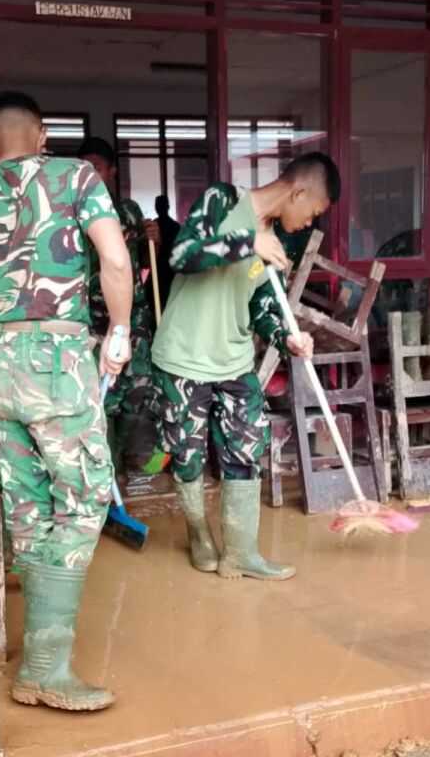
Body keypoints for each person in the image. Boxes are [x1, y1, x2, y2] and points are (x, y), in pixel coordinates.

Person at [0, 92, 133, 711]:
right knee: (87, 493)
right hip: (58, 364)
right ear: (42, 134)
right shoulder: (75, 175)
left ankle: (40, 665)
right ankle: (47, 664)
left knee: (27, 498)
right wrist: (117, 333)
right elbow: (115, 260)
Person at [150, 153, 330, 580]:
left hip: (234, 361)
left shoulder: (280, 245)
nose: (309, 222)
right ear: (298, 192)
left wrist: (284, 336)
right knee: (187, 455)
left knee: (246, 451)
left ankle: (241, 552)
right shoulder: (221, 200)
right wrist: (247, 242)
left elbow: (264, 306)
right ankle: (199, 534)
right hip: (183, 357)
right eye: (314, 212)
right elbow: (181, 254)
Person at [76, 137, 159, 477]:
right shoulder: (71, 212)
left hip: (133, 318)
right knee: (101, 397)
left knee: (138, 391)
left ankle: (131, 459)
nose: (91, 173)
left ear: (110, 172)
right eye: (85, 167)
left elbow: (143, 263)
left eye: (96, 167)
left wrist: (153, 237)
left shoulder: (128, 212)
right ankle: (104, 471)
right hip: (90, 322)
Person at [153, 194, 181, 306]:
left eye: (161, 206)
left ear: (167, 207)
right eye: (158, 206)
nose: (159, 208)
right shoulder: (153, 226)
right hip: (158, 269)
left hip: (170, 271)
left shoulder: (175, 227)